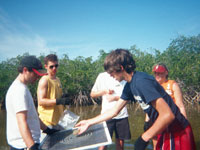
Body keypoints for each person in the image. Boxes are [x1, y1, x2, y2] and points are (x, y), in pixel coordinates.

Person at [76, 49, 196, 150]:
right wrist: (89, 122)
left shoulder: (141, 82)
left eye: (111, 72)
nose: (110, 75)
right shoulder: (130, 85)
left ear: (121, 68)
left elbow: (168, 115)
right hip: (165, 130)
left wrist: (144, 137)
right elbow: (114, 111)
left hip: (178, 131)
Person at [6, 55, 57, 150]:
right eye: (35, 74)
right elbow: (22, 121)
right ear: (25, 70)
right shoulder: (19, 91)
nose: (38, 77)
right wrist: (32, 146)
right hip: (24, 145)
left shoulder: (22, 87)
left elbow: (32, 116)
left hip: (27, 143)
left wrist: (47, 130)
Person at [145, 63, 188, 150]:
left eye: (160, 73)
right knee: (156, 145)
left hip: (170, 119)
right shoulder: (152, 85)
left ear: (166, 73)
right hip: (155, 119)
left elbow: (180, 105)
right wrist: (146, 121)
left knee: (171, 144)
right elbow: (149, 106)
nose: (157, 75)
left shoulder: (172, 84)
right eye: (156, 73)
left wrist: (185, 123)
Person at [91, 72, 131, 150]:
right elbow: (92, 94)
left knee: (120, 144)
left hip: (122, 115)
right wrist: (105, 91)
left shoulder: (123, 75)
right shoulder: (102, 76)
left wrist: (115, 98)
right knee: (102, 144)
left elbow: (129, 97)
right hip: (106, 115)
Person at [37, 54, 70, 128]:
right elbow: (41, 101)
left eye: (56, 65)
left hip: (59, 121)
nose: (54, 68)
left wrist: (63, 98)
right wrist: (59, 101)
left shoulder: (58, 79)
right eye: (51, 66)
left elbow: (55, 97)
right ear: (46, 66)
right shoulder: (44, 80)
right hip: (47, 123)